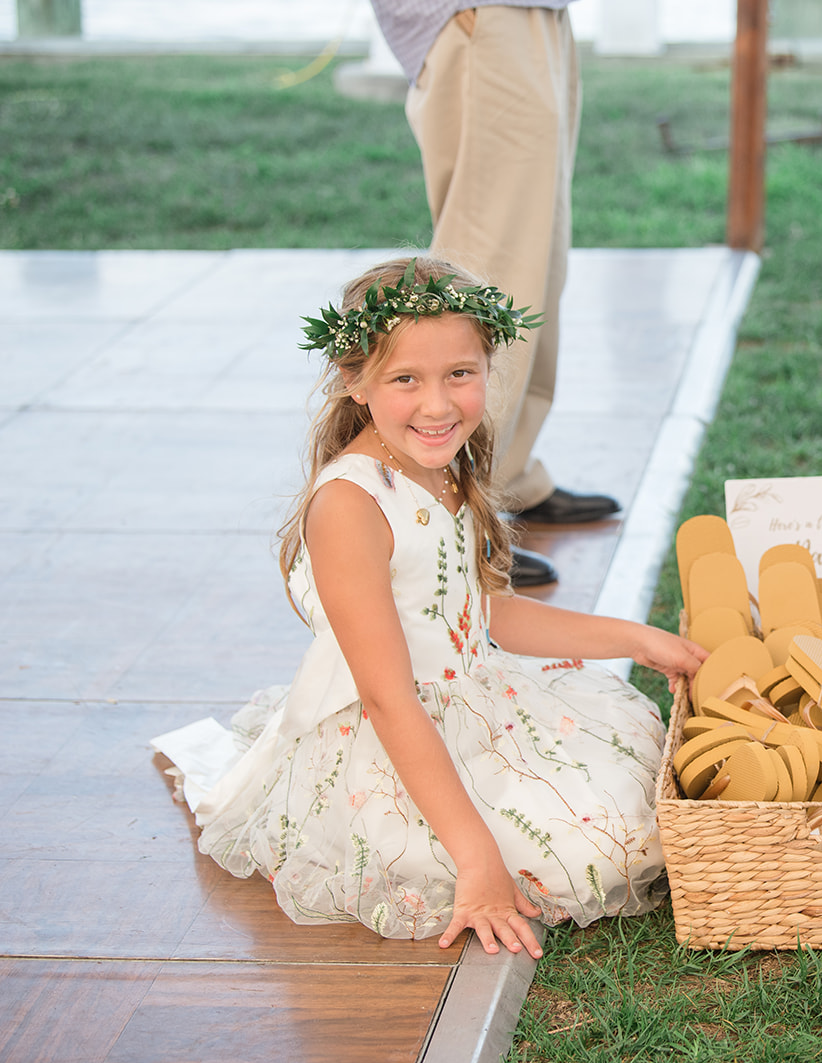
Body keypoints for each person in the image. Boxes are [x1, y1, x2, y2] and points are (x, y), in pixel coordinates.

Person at [156, 256, 706, 953]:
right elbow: (388, 699)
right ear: (354, 378)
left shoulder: (445, 467)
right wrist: (476, 861)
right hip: (393, 735)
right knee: (598, 848)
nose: (438, 405)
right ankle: (468, 849)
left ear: (488, 367)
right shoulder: (352, 506)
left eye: (460, 375)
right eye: (406, 379)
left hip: (474, 697)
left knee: (636, 779)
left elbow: (485, 615)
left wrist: (635, 639)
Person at [369, 0, 618, 589]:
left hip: (534, 14)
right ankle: (445, 513)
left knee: (538, 257)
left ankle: (504, 474)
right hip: (480, 11)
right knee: (491, 263)